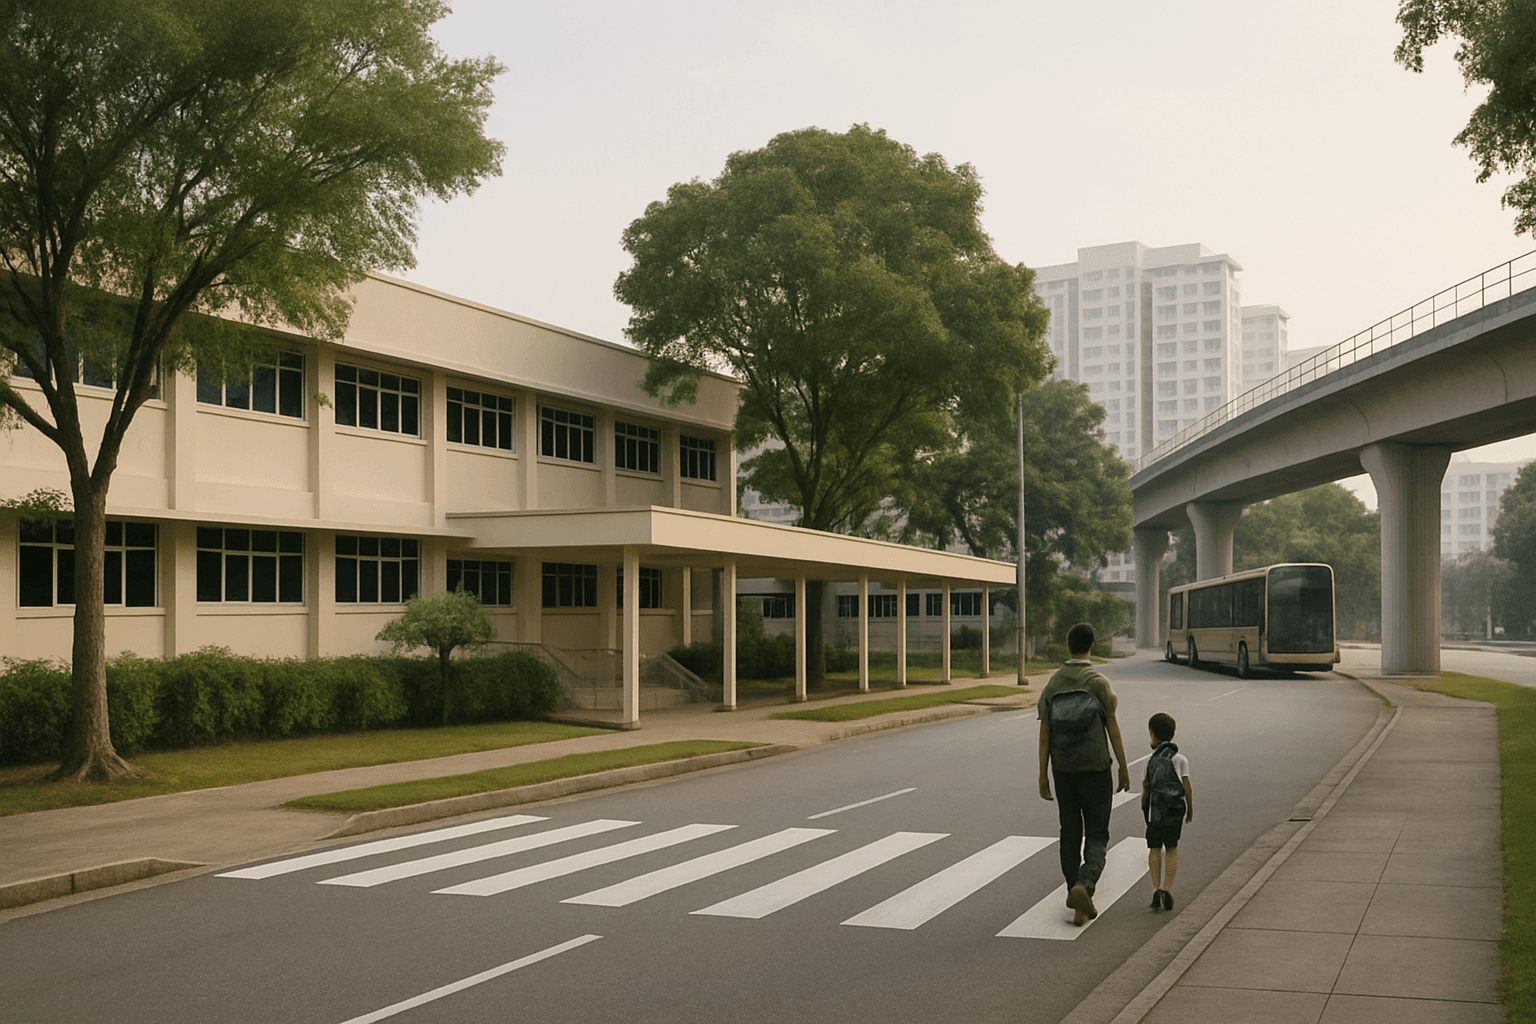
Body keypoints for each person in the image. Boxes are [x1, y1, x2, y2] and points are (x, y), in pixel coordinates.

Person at [1037, 622, 1131, 926]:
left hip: (1063, 771)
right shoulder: (1098, 682)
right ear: (1092, 646)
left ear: (1068, 646)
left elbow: (1044, 735)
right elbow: (1112, 729)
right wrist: (1124, 767)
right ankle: (1084, 885)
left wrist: (1042, 775)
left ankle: (1077, 897)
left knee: (1070, 833)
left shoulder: (1052, 685)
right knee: (1097, 833)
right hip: (1096, 770)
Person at [1142, 711, 1194, 912]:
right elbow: (1187, 785)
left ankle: (1155, 887)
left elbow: (1145, 790)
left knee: (1155, 848)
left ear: (1151, 733)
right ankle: (1167, 888)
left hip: (1156, 811)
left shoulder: (1150, 761)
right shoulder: (1180, 759)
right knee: (1171, 848)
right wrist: (1190, 808)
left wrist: (1145, 811)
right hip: (1175, 811)